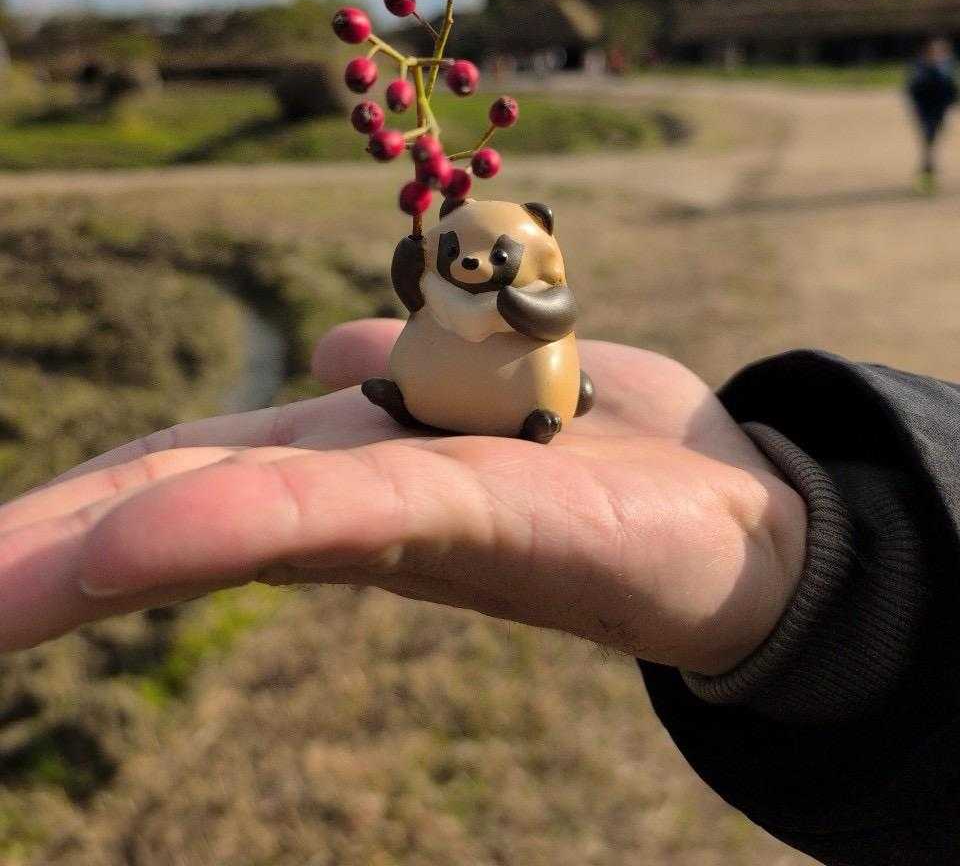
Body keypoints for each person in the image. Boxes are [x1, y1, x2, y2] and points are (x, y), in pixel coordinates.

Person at [1, 318, 959, 865]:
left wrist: (799, 565)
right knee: (411, 372)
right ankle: (419, 397)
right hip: (438, 385)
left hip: (528, 393)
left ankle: (520, 408)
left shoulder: (531, 291)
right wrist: (825, 577)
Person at [906, 37, 958, 191]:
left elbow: (951, 89)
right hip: (925, 109)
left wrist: (952, 101)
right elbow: (913, 89)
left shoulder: (946, 67)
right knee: (929, 136)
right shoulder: (920, 67)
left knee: (933, 136)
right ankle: (928, 167)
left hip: (939, 108)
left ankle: (928, 165)